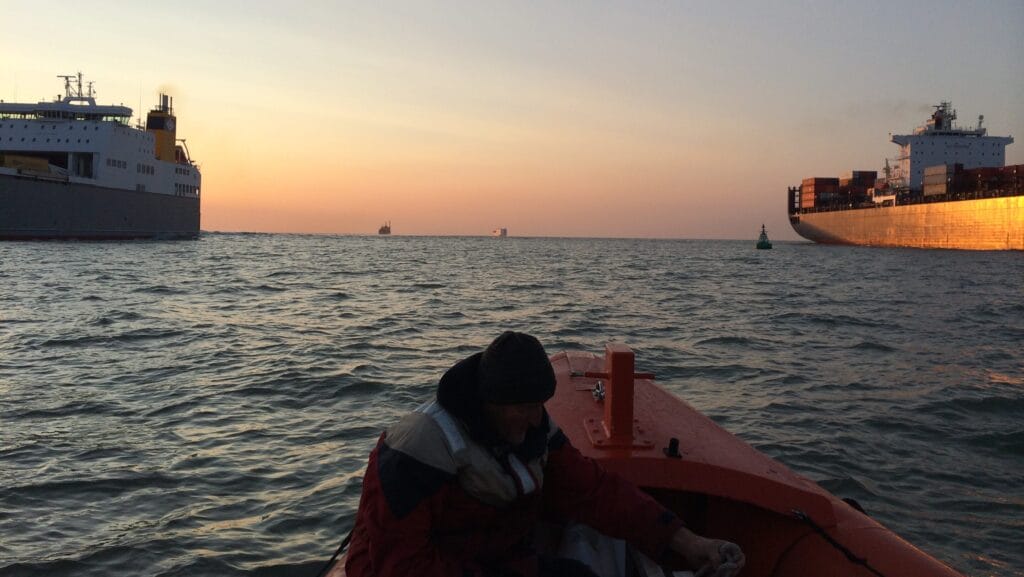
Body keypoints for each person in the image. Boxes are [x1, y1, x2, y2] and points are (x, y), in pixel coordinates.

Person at [344, 331, 744, 577]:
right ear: (490, 401)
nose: (534, 418)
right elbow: (399, 566)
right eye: (522, 407)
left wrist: (687, 542)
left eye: (539, 404)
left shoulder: (535, 428)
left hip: (494, 558)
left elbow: (595, 492)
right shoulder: (416, 452)